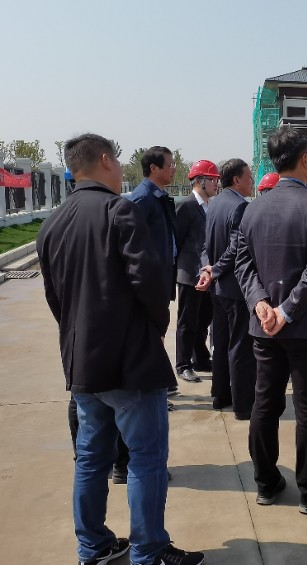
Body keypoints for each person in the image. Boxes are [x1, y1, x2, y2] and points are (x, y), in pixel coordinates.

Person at [37, 133, 204, 565]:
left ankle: (92, 547)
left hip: (82, 364)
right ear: (106, 161)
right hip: (130, 364)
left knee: (91, 459)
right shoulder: (119, 210)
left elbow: (55, 299)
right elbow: (150, 285)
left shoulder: (53, 222)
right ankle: (147, 552)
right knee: (146, 459)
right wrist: (156, 327)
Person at [235, 126, 307, 515]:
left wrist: (260, 303)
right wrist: (285, 309)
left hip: (265, 326)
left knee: (265, 403)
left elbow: (242, 263)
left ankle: (266, 483)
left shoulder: (253, 207)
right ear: (306, 159)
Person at [196, 159, 256, 420]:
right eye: (249, 177)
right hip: (234, 288)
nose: (252, 182)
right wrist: (215, 270)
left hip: (218, 289)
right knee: (241, 346)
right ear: (237, 180)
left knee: (220, 343)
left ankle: (220, 395)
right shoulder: (240, 206)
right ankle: (243, 405)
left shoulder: (215, 203)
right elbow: (236, 248)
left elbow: (204, 245)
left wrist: (207, 269)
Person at [126, 146, 179, 396]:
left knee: (157, 332)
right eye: (170, 164)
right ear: (154, 168)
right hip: (150, 282)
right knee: (149, 334)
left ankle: (159, 387)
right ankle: (153, 390)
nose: (174, 168)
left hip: (161, 278)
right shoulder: (142, 200)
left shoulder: (158, 196)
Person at [174, 160, 218, 384]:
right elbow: (177, 239)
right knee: (187, 322)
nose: (216, 184)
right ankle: (183, 364)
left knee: (204, 320)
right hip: (190, 274)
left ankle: (200, 358)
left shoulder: (211, 206)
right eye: (212, 180)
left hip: (208, 274)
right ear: (199, 181)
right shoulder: (186, 206)